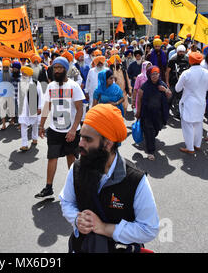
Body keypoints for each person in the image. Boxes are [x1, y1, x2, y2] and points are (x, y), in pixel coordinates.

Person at [59, 104, 159, 253]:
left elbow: (149, 229)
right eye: (81, 137)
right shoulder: (77, 168)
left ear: (108, 144)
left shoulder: (136, 181)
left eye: (88, 139)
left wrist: (106, 228)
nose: (80, 144)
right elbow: (66, 201)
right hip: (82, 247)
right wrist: (76, 219)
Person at [35, 57, 85, 199]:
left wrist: (73, 130)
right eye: (54, 68)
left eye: (59, 67)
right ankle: (48, 187)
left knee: (71, 158)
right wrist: (41, 125)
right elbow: (47, 106)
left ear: (65, 69)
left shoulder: (73, 86)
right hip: (54, 130)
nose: (56, 70)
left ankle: (75, 188)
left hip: (71, 130)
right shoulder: (51, 87)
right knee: (52, 157)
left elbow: (79, 110)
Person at [175, 52, 208, 154]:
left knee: (188, 125)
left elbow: (177, 89)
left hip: (188, 102)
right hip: (201, 102)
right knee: (198, 124)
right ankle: (197, 145)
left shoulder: (186, 73)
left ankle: (190, 148)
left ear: (190, 61)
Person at [135, 66, 171, 161]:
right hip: (146, 113)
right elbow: (139, 99)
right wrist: (138, 111)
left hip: (159, 113)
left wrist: (165, 90)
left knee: (156, 129)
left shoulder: (162, 84)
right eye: (152, 74)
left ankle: (149, 138)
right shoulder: (145, 86)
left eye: (156, 74)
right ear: (149, 75)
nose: (155, 76)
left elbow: (169, 94)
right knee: (149, 131)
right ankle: (150, 151)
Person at [18, 66, 43, 151]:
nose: (23, 75)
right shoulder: (20, 82)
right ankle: (24, 144)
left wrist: (39, 107)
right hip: (23, 109)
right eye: (22, 74)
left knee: (35, 124)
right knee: (23, 124)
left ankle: (35, 138)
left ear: (29, 75)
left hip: (33, 106)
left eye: (25, 74)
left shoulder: (36, 83)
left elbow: (40, 96)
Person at [166, 45, 190, 118]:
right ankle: (166, 111)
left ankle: (178, 113)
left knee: (180, 98)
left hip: (184, 83)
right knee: (170, 97)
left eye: (183, 52)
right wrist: (167, 82)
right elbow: (167, 71)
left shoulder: (187, 59)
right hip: (173, 81)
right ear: (177, 51)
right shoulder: (173, 59)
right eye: (180, 52)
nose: (181, 53)